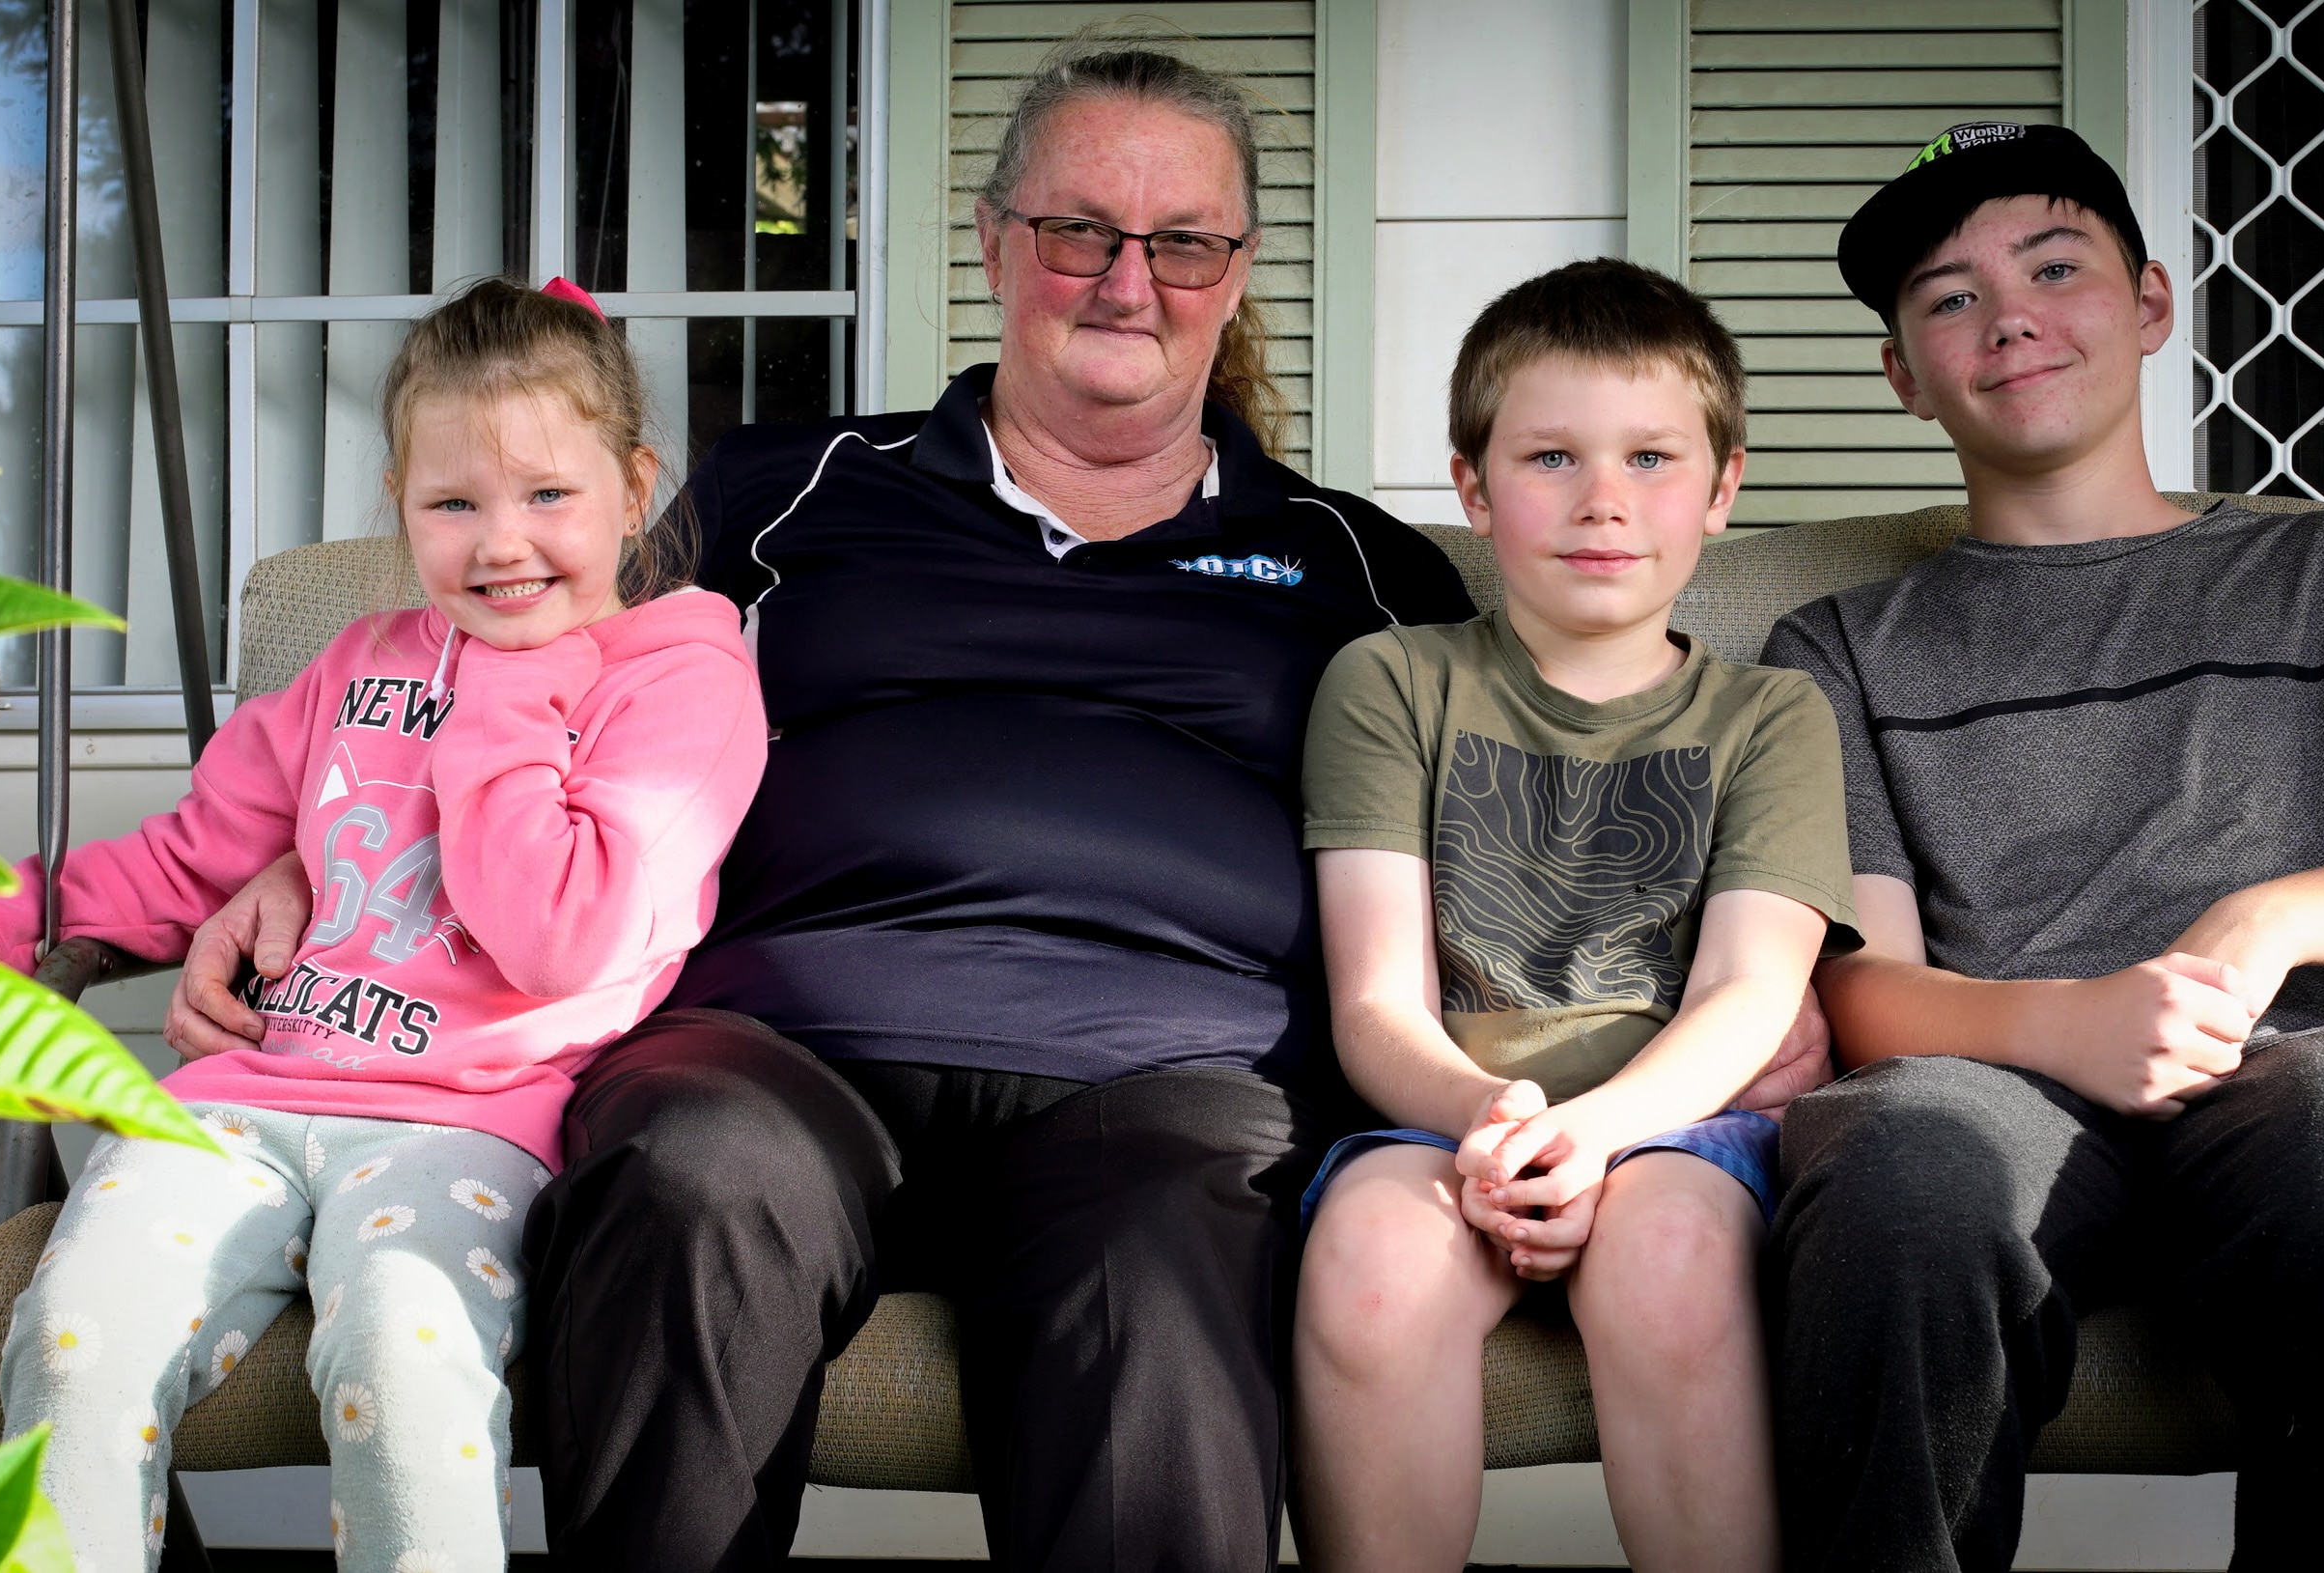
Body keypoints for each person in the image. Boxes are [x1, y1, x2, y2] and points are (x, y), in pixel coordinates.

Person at [164, 45, 1473, 1572]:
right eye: (1079, 233)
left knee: (1160, 1289)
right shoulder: (789, 486)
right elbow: (511, 648)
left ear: (1235, 274)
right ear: (994, 244)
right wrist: (291, 862)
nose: (1131, 281)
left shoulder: (1357, 566)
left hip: (1165, 1076)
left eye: (1183, 242)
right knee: (691, 1179)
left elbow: (1549, 798)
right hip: (782, 1040)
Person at [1756, 121, 2324, 1571]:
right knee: (1899, 1185)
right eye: (1947, 298)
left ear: (2149, 303)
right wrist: (2073, 1023)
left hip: (2294, 1066)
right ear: (1902, 374)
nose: (2006, 315)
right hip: (1988, 1077)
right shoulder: (1839, 644)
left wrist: (2273, 918)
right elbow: (1864, 986)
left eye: (2054, 265)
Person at [0, 276, 767, 1573]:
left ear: (634, 486)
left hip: (475, 1120)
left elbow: (559, 933)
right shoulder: (362, 660)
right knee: (70, 1337)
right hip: (246, 1091)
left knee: (406, 1365)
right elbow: (188, 860)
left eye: (547, 496)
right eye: (453, 503)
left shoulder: (679, 672)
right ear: (401, 504)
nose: (502, 543)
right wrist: (3, 923)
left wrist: (503, 690)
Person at [1290, 259, 1862, 1573]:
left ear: (1722, 489)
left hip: (1682, 1125)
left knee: (1667, 1265)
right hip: (1443, 1114)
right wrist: (1494, 1124)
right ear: (1475, 489)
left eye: (1653, 457)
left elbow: (1747, 989)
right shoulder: (1390, 684)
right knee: (1373, 1263)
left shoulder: (1769, 716)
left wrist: (1596, 1131)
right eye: (1551, 456)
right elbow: (1376, 997)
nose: (1605, 499)